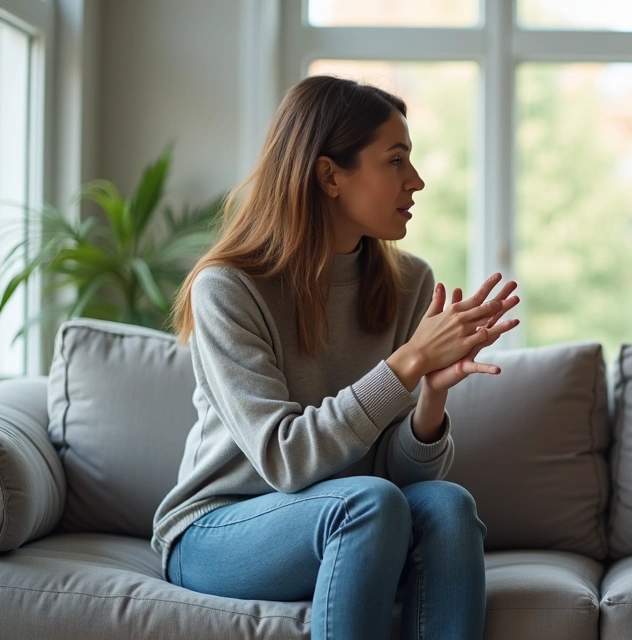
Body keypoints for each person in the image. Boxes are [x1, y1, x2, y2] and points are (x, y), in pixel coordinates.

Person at [152, 74, 519, 640]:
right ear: (329, 176)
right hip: (219, 528)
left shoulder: (409, 282)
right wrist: (406, 364)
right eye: (395, 160)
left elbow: (396, 474)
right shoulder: (227, 288)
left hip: (355, 515)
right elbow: (285, 459)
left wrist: (431, 395)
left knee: (447, 506)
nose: (416, 180)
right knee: (368, 503)